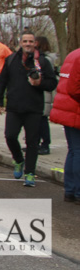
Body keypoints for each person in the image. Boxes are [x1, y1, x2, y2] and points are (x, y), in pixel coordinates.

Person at [0, 31, 59, 187]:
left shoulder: (42, 62)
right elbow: (2, 81)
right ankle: (18, 159)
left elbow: (52, 84)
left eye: (31, 41)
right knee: (10, 136)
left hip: (34, 108)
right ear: (21, 42)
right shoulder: (11, 60)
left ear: (35, 43)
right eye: (25, 41)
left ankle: (30, 173)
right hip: (14, 107)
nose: (28, 44)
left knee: (32, 143)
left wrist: (39, 84)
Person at [49, 48, 80, 203]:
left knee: (74, 150)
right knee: (78, 151)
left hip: (66, 107)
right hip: (75, 108)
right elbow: (75, 89)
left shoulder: (73, 54)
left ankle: (70, 189)